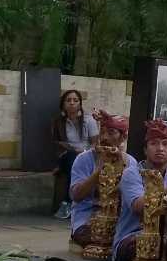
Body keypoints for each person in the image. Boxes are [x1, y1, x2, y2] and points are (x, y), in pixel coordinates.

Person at [111, 119, 167, 261]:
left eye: (166, 144)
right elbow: (138, 206)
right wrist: (166, 191)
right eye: (154, 143)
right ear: (145, 149)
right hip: (134, 235)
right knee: (148, 244)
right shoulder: (132, 173)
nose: (160, 148)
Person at [69, 110, 136, 247]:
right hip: (87, 219)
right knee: (98, 238)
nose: (104, 137)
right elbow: (76, 195)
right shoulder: (84, 159)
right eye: (102, 132)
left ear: (123, 137)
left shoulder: (130, 162)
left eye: (111, 133)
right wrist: (100, 171)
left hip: (119, 221)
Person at [52, 90, 98, 219]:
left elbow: (95, 143)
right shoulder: (59, 122)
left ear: (80, 104)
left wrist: (84, 153)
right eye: (68, 100)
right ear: (63, 104)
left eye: (75, 100)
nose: (72, 103)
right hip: (68, 155)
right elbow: (58, 144)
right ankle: (69, 202)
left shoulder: (88, 120)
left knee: (77, 160)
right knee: (72, 158)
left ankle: (68, 201)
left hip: (88, 155)